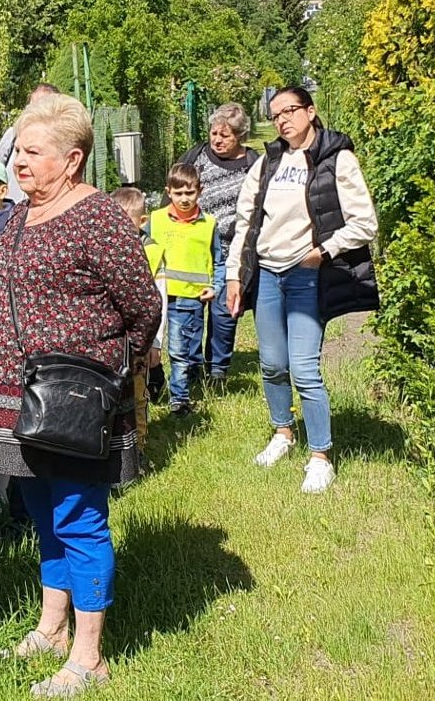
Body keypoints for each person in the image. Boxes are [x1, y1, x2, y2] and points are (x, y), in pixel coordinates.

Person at [0, 93, 160, 696]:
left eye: (31, 152)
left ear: (72, 159)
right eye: (17, 150)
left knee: (79, 520)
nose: (17, 163)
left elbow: (143, 306)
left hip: (73, 405)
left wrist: (99, 367)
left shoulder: (98, 217)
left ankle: (89, 654)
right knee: (45, 516)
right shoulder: (24, 212)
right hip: (15, 403)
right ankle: (53, 626)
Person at [227, 85, 378, 495]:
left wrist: (322, 252)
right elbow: (246, 222)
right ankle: (282, 432)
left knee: (305, 369)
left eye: (290, 111)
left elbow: (365, 222)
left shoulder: (336, 158)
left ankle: (320, 457)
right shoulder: (268, 162)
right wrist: (234, 275)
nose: (282, 120)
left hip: (306, 274)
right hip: (269, 275)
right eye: (276, 114)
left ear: (311, 112)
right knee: (273, 364)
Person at [177, 102, 260, 384]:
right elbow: (177, 190)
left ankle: (217, 370)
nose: (217, 140)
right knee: (189, 312)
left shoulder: (254, 164)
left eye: (225, 135)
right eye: (214, 133)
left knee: (225, 313)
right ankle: (190, 367)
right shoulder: (197, 156)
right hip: (194, 251)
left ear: (240, 136)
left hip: (232, 251)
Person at [149, 164, 223, 416]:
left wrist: (216, 286)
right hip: (157, 296)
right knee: (152, 345)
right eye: (178, 193)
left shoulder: (209, 224)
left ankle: (179, 399)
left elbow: (218, 260)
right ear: (168, 192)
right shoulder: (155, 220)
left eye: (189, 193)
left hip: (190, 296)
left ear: (199, 192)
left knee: (181, 352)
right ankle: (154, 384)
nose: (184, 199)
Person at [110, 186, 162, 447]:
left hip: (140, 339)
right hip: (113, 340)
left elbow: (157, 301)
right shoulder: (105, 251)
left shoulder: (152, 251)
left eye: (125, 221)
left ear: (142, 222)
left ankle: (138, 447)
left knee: (138, 394)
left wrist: (155, 343)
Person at [0, 83, 64, 203]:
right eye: (32, 106)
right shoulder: (14, 134)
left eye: (42, 106)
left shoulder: (62, 142)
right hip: (11, 209)